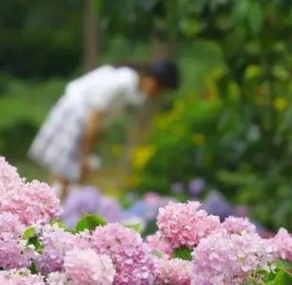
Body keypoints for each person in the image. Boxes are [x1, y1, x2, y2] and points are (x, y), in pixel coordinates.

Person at [28, 59, 179, 193]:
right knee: (64, 174)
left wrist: (89, 153)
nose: (157, 93)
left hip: (84, 120)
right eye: (159, 87)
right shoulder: (123, 82)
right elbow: (94, 119)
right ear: (152, 78)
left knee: (69, 175)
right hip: (75, 114)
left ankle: (56, 209)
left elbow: (101, 124)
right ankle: (50, 212)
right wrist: (85, 157)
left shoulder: (134, 90)